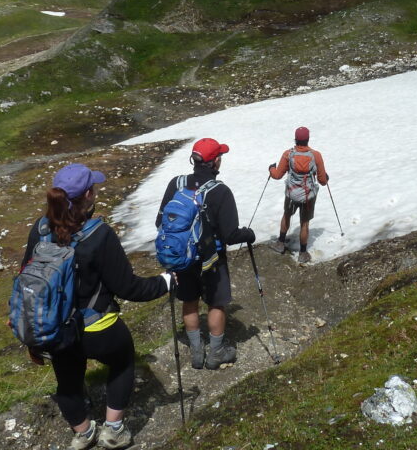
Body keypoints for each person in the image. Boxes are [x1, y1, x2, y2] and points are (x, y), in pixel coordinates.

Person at [20, 162, 171, 450]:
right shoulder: (99, 235)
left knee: (66, 379)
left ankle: (83, 431)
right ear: (88, 194)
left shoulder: (39, 230)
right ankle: (113, 430)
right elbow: (129, 288)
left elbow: (26, 278)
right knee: (124, 360)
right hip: (96, 327)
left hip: (53, 329)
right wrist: (166, 282)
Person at [156, 138, 255, 371]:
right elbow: (230, 235)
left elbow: (160, 221)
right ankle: (216, 352)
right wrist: (248, 234)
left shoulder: (176, 183)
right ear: (215, 161)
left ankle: (197, 352)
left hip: (181, 259)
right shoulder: (220, 192)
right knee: (216, 303)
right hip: (211, 259)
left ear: (194, 160)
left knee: (189, 300)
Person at [268, 126, 329, 264]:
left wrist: (271, 168)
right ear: (308, 139)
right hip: (308, 196)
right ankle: (302, 253)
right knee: (304, 223)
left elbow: (277, 175)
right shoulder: (316, 156)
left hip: (291, 194)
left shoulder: (288, 154)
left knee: (287, 215)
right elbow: (323, 181)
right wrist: (326, 177)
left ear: (295, 139)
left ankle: (280, 243)